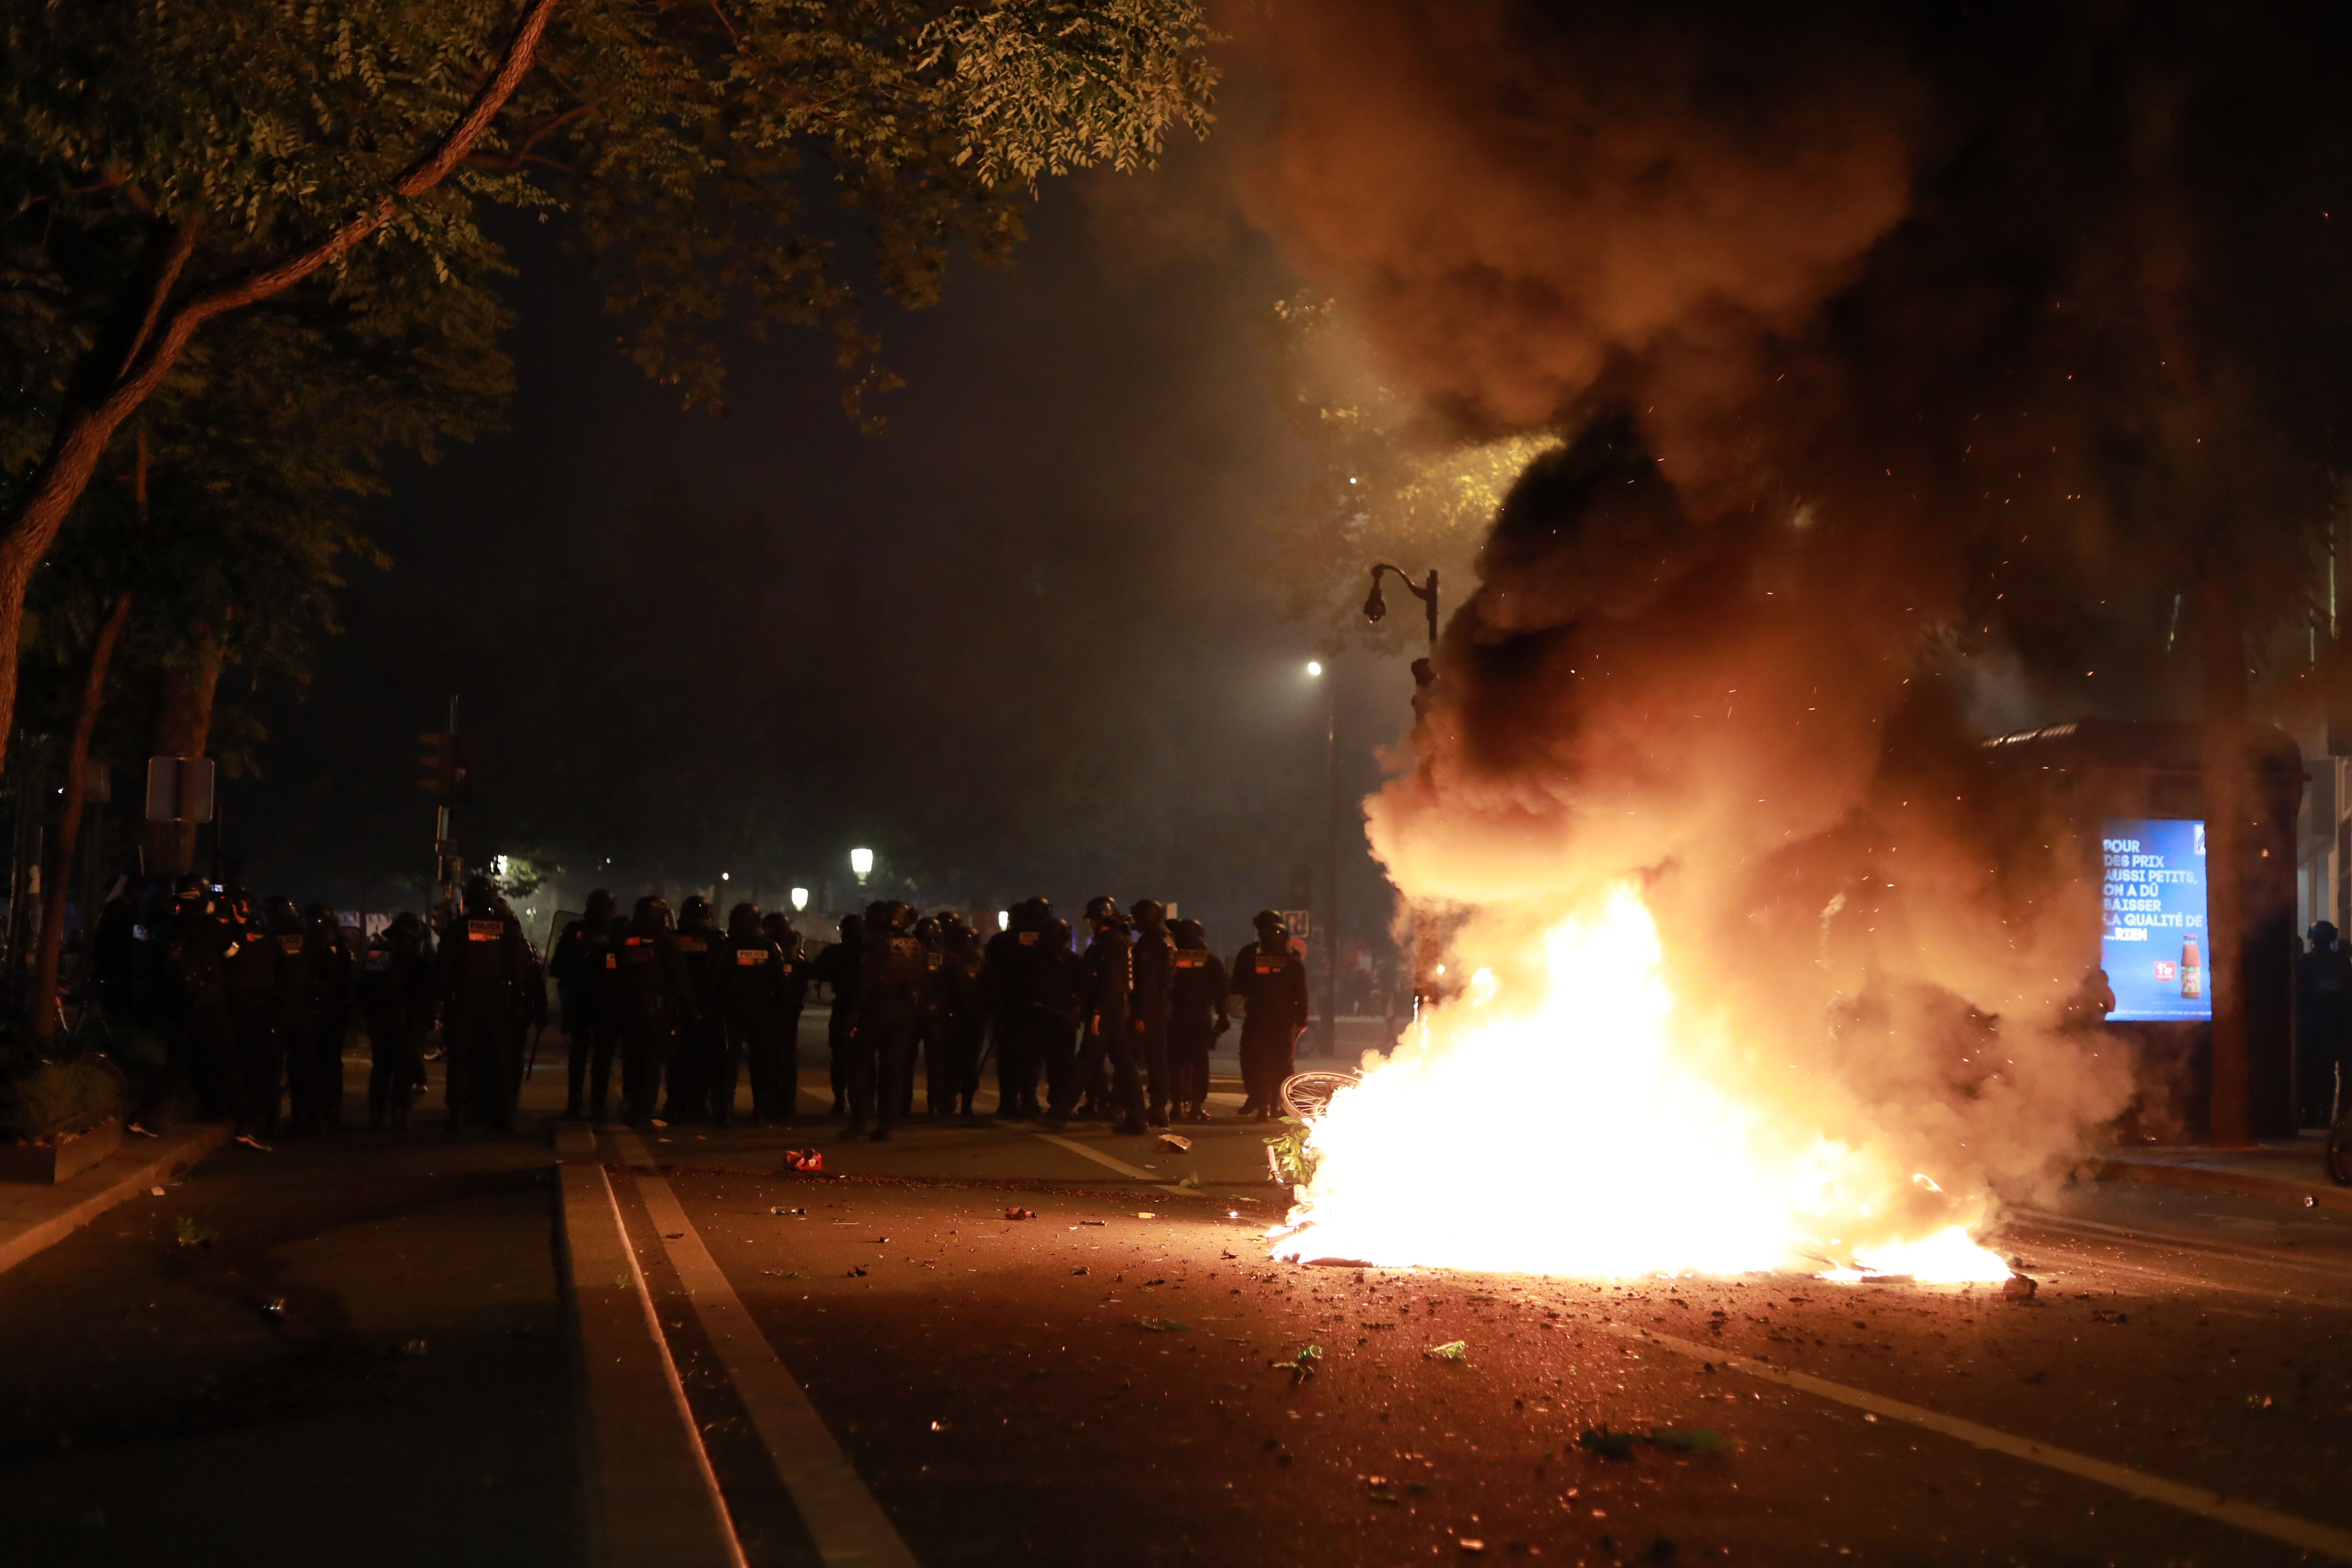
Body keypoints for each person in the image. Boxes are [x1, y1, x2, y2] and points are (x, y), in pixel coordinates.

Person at [433, 877, 536, 1133]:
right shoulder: (507, 930)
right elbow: (519, 974)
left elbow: (442, 971)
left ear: (467, 900)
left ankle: (458, 1113)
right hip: (496, 1001)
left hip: (463, 1000)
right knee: (500, 1059)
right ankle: (505, 1114)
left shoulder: (457, 929)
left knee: (460, 1058)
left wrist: (434, 1002)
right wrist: (515, 1006)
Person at [1054, 896, 1145, 1134]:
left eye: (1093, 920)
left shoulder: (1110, 943)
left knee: (1086, 1059)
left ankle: (1059, 1114)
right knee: (1124, 1065)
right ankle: (1137, 1119)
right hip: (1114, 1008)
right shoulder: (1119, 941)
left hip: (1108, 1008)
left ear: (1098, 920)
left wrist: (1097, 1011)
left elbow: (1110, 981)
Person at [615, 895, 695, 1131]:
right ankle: (643, 1114)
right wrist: (691, 1012)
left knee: (631, 1060)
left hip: (629, 1010)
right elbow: (680, 982)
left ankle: (630, 1105)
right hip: (657, 1013)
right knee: (651, 1064)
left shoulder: (625, 939)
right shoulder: (666, 941)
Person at [848, 900, 926, 1141]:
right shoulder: (918, 948)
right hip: (904, 1014)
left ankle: (860, 1120)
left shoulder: (877, 946)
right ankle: (886, 1124)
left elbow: (865, 983)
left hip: (875, 1012)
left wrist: (852, 1015)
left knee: (860, 1064)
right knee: (893, 1070)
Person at [712, 903, 786, 1128]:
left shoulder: (725, 947)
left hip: (732, 1012)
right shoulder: (771, 948)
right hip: (763, 1012)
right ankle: (760, 1112)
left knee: (728, 1064)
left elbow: (714, 982)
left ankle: (726, 1111)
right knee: (762, 1063)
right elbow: (781, 985)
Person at [548, 889, 619, 1121]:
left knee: (580, 1055)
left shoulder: (574, 931)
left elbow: (558, 969)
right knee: (602, 1058)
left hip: (583, 1001)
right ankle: (597, 1106)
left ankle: (576, 1102)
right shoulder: (618, 933)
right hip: (605, 1003)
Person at [1231, 909, 1309, 1120]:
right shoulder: (1293, 961)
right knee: (1283, 1063)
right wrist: (1301, 1021)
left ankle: (1262, 1104)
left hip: (1258, 1017)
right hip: (1284, 1019)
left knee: (1255, 1061)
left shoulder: (1250, 958)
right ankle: (1281, 1104)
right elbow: (1301, 994)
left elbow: (1238, 985)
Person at [223, 889, 285, 1143]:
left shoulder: (233, 936)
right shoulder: (268, 938)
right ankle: (269, 1118)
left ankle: (247, 1117)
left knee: (242, 1066)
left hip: (238, 1009)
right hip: (265, 1008)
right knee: (265, 1067)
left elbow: (228, 959)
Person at [364, 912, 430, 1129]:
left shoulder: (377, 954)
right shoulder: (413, 957)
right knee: (404, 1068)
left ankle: (376, 1114)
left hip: (378, 1020)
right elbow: (424, 991)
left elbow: (364, 985)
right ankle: (398, 1114)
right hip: (405, 1020)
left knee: (381, 1067)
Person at [984, 898, 1049, 1119]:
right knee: (1032, 1057)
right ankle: (1029, 1100)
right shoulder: (1044, 941)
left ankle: (1009, 1101)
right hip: (1034, 1008)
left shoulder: (1000, 942)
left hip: (1008, 1007)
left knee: (1008, 1057)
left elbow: (991, 974)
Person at [667, 895, 725, 1124]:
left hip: (677, 1007)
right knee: (706, 1060)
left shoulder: (672, 938)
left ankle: (676, 1104)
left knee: (677, 1060)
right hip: (709, 1008)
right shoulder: (719, 939)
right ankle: (699, 1105)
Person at [1167, 916, 1228, 1123]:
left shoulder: (1171, 960)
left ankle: (1175, 1106)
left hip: (1174, 1018)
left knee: (1175, 1062)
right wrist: (1223, 1018)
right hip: (1201, 1019)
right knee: (1200, 1062)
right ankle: (1196, 1107)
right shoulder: (1211, 961)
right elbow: (1222, 994)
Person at [808, 912, 864, 1118]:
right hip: (866, 1011)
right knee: (864, 1057)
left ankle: (840, 1098)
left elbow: (814, 971)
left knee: (840, 1056)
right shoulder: (872, 953)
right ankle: (864, 1103)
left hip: (843, 1009)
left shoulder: (834, 954)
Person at [932, 921, 989, 1120]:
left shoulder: (951, 960)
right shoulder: (984, 963)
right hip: (975, 1020)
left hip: (955, 1019)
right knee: (971, 1062)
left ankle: (948, 1100)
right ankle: (967, 1105)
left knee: (951, 1061)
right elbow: (994, 992)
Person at [2297, 923, 2351, 1127]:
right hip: (2333, 1027)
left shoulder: (2303, 962)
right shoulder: (2343, 964)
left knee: (2307, 1072)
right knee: (2327, 1073)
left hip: (2308, 1026)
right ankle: (2326, 1118)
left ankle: (2311, 1116)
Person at [1128, 898, 1176, 1128]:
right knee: (1158, 1059)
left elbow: (1146, 980)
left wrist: (1140, 1014)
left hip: (1149, 1005)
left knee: (1131, 1058)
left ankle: (1129, 1108)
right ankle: (1158, 1108)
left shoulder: (1150, 943)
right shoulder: (1167, 939)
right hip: (1162, 1003)